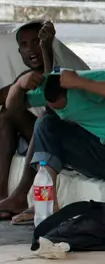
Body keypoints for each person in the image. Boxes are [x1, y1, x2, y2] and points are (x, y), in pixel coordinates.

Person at [5, 68, 105, 208]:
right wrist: (18, 85)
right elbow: (12, 108)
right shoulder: (50, 87)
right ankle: (47, 204)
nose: (60, 110)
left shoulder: (97, 79)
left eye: (62, 105)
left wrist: (79, 82)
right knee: (45, 122)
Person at [0, 20, 56, 219]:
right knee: (6, 115)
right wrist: (19, 87)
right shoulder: (27, 76)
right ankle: (2, 194)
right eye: (24, 45)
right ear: (19, 52)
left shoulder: (63, 71)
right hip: (37, 136)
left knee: (45, 120)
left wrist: (47, 50)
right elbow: (8, 103)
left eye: (36, 41)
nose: (31, 49)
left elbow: (54, 96)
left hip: (63, 138)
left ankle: (21, 196)